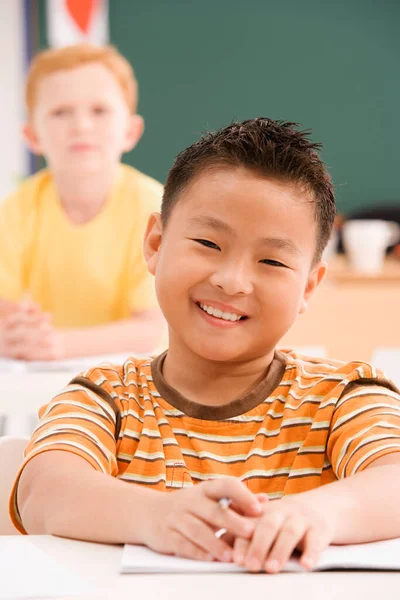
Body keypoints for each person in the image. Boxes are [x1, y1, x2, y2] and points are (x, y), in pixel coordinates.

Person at [10, 118, 400, 573]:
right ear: (156, 243)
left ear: (309, 288)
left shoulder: (344, 396)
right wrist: (153, 516)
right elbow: (41, 491)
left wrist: (320, 513)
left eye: (272, 260)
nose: (232, 281)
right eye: (207, 242)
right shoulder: (104, 398)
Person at [0, 44, 164, 361]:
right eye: (60, 112)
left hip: (134, 384)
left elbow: (150, 329)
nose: (81, 126)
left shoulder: (153, 209)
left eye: (99, 110)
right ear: (32, 136)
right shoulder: (16, 212)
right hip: (42, 383)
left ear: (130, 131)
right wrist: (15, 336)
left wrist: (57, 345)